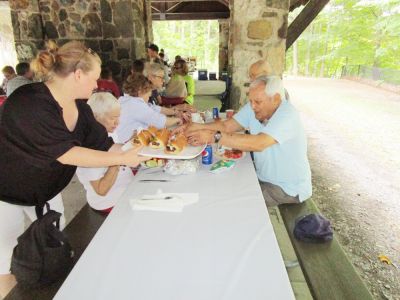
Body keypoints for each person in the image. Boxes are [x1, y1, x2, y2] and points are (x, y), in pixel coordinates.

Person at [0, 41, 148, 297]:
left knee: (54, 251)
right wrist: (123, 159)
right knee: (6, 263)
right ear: (78, 75)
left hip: (46, 194)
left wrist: (142, 151)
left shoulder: (82, 110)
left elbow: (106, 147)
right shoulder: (30, 102)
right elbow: (67, 154)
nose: (96, 84)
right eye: (94, 78)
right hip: (5, 195)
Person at [178, 76, 312, 207]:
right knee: (219, 185)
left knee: (232, 201)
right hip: (263, 177)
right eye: (251, 101)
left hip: (287, 188)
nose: (252, 106)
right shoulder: (254, 105)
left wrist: (214, 137)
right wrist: (197, 127)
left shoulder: (288, 114)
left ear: (276, 99)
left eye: (258, 102)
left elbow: (258, 143)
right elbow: (227, 126)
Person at [76, 92, 134, 213]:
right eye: (113, 118)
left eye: (118, 117)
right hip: (109, 202)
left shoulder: (108, 133)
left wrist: (132, 143)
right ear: (95, 118)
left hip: (127, 189)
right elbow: (101, 190)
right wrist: (118, 160)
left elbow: (120, 153)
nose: (117, 123)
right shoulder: (88, 145)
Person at [116, 73, 183, 143]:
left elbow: (153, 108)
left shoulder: (125, 100)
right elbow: (160, 121)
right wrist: (178, 120)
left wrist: (175, 112)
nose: (148, 99)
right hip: (125, 145)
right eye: (148, 96)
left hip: (126, 141)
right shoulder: (136, 105)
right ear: (140, 91)